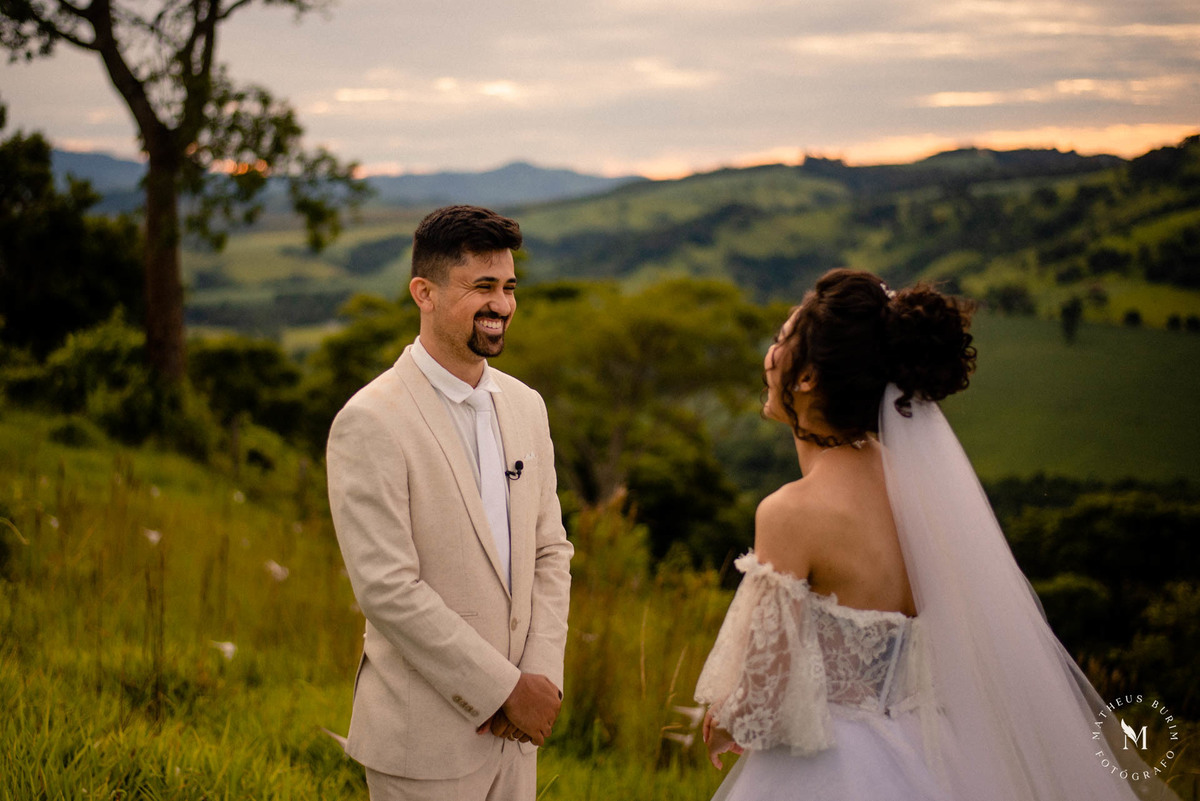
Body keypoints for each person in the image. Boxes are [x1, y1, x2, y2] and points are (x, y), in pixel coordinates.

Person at [695, 269, 1179, 801]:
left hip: (827, 770)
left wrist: (726, 720)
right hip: (934, 757)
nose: (770, 355)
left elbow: (766, 695)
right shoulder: (917, 491)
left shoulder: (790, 512)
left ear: (806, 377)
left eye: (780, 341)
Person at [327, 205, 573, 800]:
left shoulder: (525, 405)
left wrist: (538, 681)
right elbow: (387, 588)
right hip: (422, 743)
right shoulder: (369, 420)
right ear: (425, 293)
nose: (503, 304)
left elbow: (550, 551)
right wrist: (501, 690)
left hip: (517, 739)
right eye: (482, 287)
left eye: (510, 287)